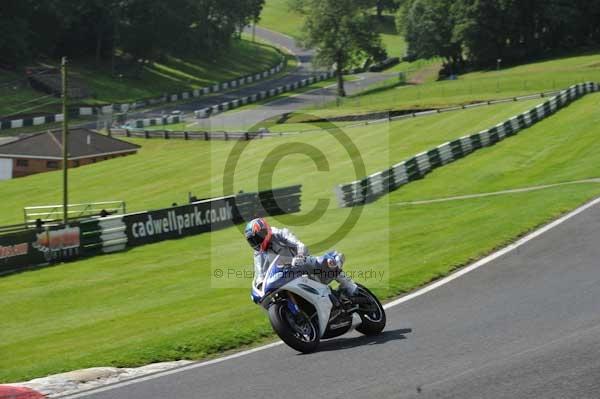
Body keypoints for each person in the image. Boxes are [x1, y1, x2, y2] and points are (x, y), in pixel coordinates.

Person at [244, 217, 358, 296]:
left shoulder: (279, 234)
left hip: (302, 264)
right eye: (252, 241)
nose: (256, 242)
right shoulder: (258, 254)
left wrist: (300, 255)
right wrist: (259, 286)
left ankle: (350, 286)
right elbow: (260, 275)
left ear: (264, 231)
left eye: (257, 238)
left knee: (326, 261)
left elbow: (299, 244)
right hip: (285, 275)